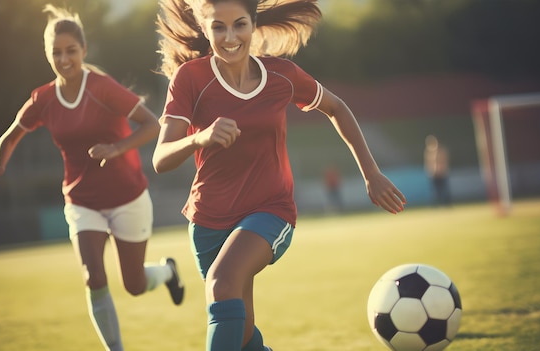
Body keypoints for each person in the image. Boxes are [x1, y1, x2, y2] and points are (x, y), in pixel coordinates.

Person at [153, 0, 406, 350]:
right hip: (208, 221)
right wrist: (199, 136)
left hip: (270, 211)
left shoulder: (282, 75)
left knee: (223, 283)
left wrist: (371, 173)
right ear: (205, 28)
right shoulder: (190, 79)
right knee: (242, 335)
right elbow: (160, 158)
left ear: (253, 25)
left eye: (239, 25)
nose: (230, 37)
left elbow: (336, 107)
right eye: (219, 27)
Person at [0, 5, 184, 351]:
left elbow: (153, 124)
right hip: (81, 201)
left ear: (84, 50)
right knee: (94, 278)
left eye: (71, 51)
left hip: (127, 197)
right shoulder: (43, 99)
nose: (64, 60)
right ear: (47, 55)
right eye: (56, 53)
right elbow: (12, 134)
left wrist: (117, 148)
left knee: (134, 284)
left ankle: (166, 271)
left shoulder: (101, 87)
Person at [424, 134, 452, 206]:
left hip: (442, 173)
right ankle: (438, 204)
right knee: (436, 191)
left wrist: (442, 170)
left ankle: (447, 204)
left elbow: (445, 161)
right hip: (434, 174)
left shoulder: (442, 151)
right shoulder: (428, 152)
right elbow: (428, 163)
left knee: (444, 190)